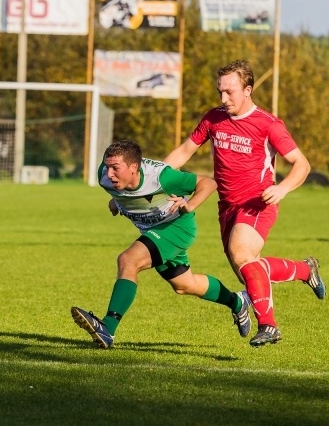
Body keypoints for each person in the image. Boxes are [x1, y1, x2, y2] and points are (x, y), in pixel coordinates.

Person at [164, 59, 326, 348]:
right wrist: (150, 181)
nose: (223, 99)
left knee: (242, 254)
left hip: (257, 203)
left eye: (230, 92)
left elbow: (301, 164)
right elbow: (184, 152)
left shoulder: (268, 124)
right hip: (226, 207)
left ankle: (269, 325)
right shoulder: (213, 118)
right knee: (249, 271)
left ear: (248, 89)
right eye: (220, 92)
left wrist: (283, 188)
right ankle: (305, 270)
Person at [71, 140, 252, 349]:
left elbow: (209, 183)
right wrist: (117, 201)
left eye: (115, 168)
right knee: (184, 285)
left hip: (177, 228)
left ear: (134, 168)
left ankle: (108, 328)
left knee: (128, 260)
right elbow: (126, 192)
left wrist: (189, 204)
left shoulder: (162, 177)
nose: (109, 173)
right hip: (154, 232)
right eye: (107, 166)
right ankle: (238, 302)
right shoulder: (105, 176)